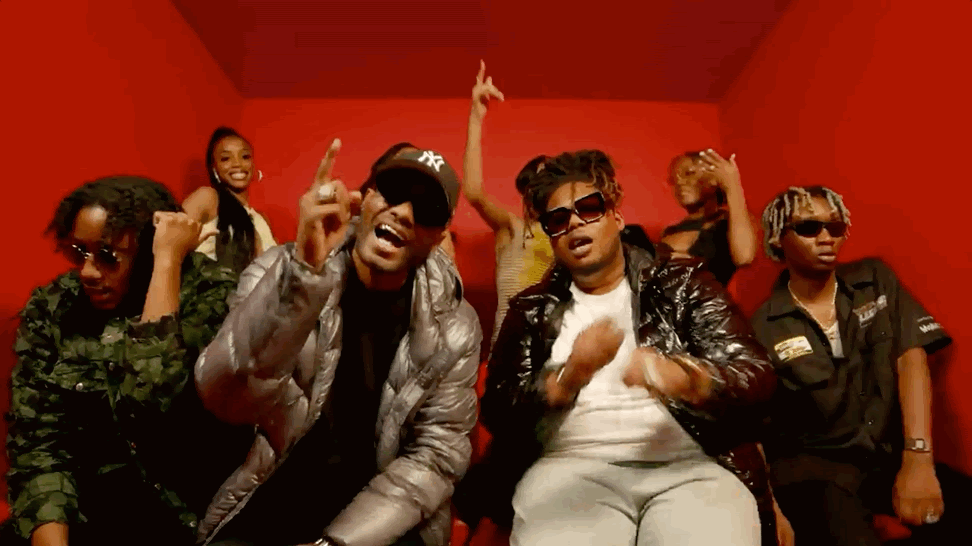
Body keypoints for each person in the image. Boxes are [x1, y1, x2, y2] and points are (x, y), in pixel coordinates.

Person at [461, 149, 778, 546]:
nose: (574, 222)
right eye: (558, 219)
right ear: (552, 238)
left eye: (589, 208)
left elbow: (756, 376)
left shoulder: (684, 285)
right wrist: (565, 380)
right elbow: (498, 412)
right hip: (570, 471)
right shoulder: (530, 309)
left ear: (616, 217)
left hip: (689, 468)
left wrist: (686, 378)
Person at [193, 140, 482, 546]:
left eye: (427, 209)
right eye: (393, 192)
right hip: (279, 492)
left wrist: (336, 544)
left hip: (382, 519)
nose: (403, 212)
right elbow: (224, 398)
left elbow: (435, 457)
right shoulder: (276, 270)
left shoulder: (456, 326)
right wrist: (303, 277)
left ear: (439, 235)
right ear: (364, 198)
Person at [3, 176, 252, 546]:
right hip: (90, 513)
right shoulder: (53, 308)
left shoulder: (210, 293)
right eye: (79, 252)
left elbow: (152, 398)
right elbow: (39, 444)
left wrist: (166, 262)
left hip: (186, 518)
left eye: (107, 256)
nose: (88, 271)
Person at [753, 185, 968, 545]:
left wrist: (918, 458)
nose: (827, 237)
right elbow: (751, 426)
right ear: (777, 238)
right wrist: (769, 506)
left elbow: (911, 355)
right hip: (814, 471)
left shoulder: (874, 279)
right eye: (809, 228)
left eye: (835, 227)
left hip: (887, 455)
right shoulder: (762, 326)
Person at [462, 62, 653, 349]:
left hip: (561, 344)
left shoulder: (578, 231)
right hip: (511, 345)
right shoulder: (513, 228)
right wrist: (476, 117)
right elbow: (474, 192)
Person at [183, 127, 278, 274]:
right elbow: (167, 243)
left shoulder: (262, 219)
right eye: (226, 158)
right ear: (214, 168)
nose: (237, 164)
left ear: (253, 165)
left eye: (245, 156)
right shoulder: (208, 198)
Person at [659, 150, 757, 285]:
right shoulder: (669, 230)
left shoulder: (729, 222)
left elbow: (744, 257)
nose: (680, 182)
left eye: (689, 173)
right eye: (674, 179)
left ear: (715, 178)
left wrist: (733, 186)